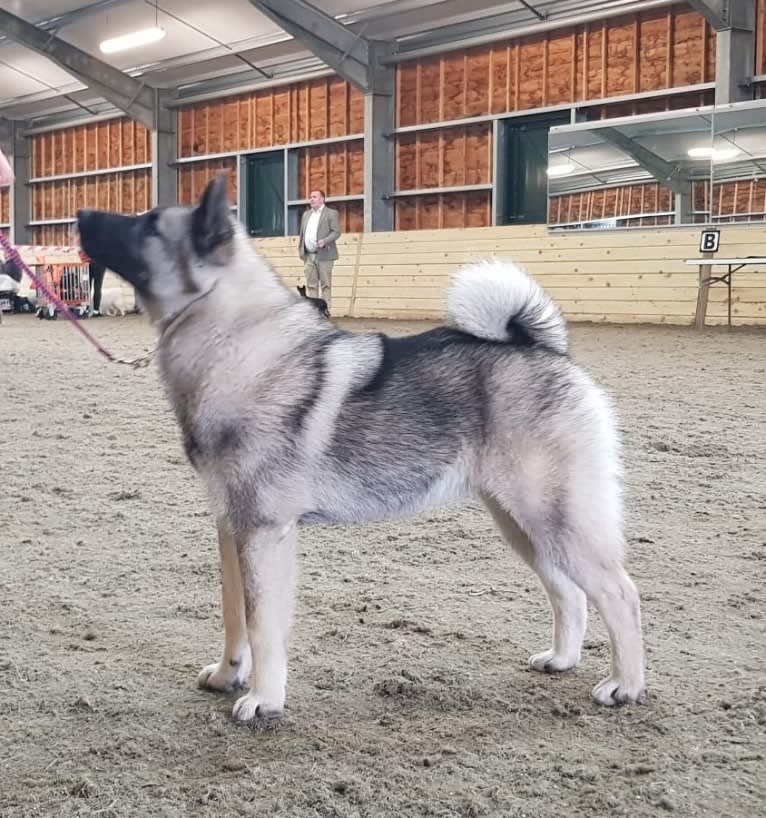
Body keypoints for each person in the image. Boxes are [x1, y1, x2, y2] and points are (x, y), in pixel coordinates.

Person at [298, 189, 340, 313]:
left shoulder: (331, 213)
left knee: (325, 285)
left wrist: (325, 240)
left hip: (325, 255)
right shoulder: (306, 215)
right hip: (309, 255)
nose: (311, 199)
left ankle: (326, 311)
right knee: (311, 285)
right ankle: (313, 313)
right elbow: (302, 234)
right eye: (310, 197)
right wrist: (301, 250)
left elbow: (336, 232)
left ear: (322, 199)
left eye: (315, 197)